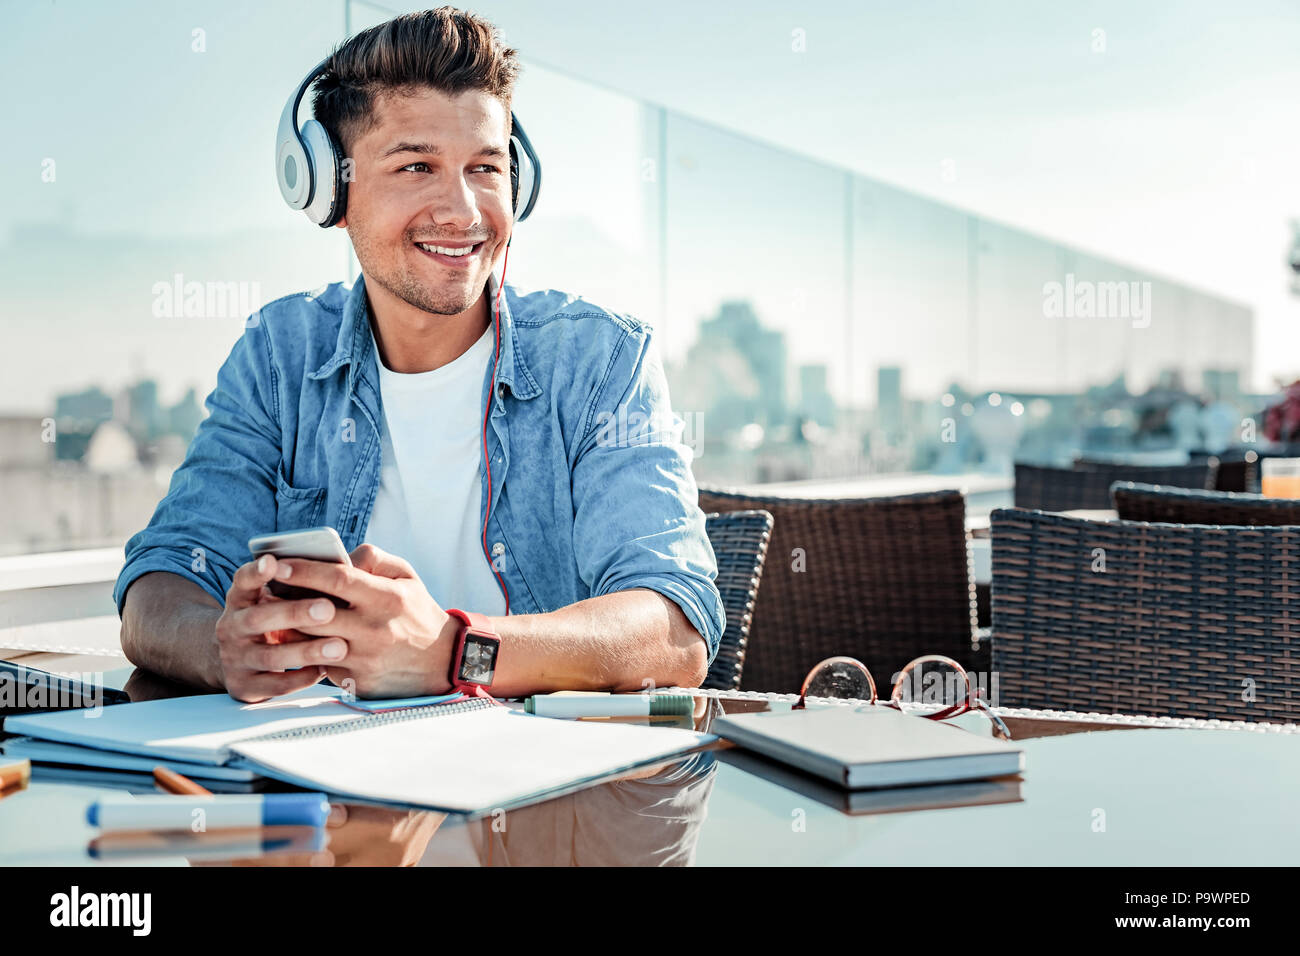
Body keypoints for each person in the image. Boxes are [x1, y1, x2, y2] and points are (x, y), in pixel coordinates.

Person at [114, 8, 723, 703]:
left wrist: (454, 654)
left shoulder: (602, 359)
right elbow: (160, 586)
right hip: (325, 784)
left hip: (549, 794)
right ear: (331, 193)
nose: (461, 209)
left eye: (485, 167)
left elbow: (675, 628)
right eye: (415, 166)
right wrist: (223, 650)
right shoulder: (277, 356)